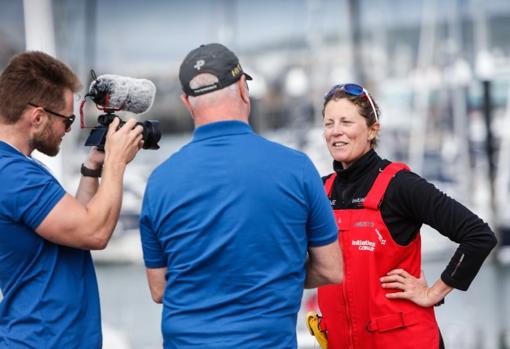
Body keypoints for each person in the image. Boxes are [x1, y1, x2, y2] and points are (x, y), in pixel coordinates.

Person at [139, 43, 344, 349]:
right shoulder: (296, 169)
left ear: (186, 102)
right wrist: (272, 277)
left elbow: (159, 289)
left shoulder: (159, 182)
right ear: (243, 89)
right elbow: (331, 269)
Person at [307, 83, 497, 349]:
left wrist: (433, 293)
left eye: (346, 122)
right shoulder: (319, 191)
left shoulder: (400, 186)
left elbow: (478, 237)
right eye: (329, 123)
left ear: (373, 130)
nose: (335, 131)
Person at [0, 51, 143, 348]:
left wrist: (93, 168)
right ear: (37, 117)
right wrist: (117, 162)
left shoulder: (17, 167)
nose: (69, 129)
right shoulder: (13, 174)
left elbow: (76, 226)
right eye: (67, 121)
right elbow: (95, 232)